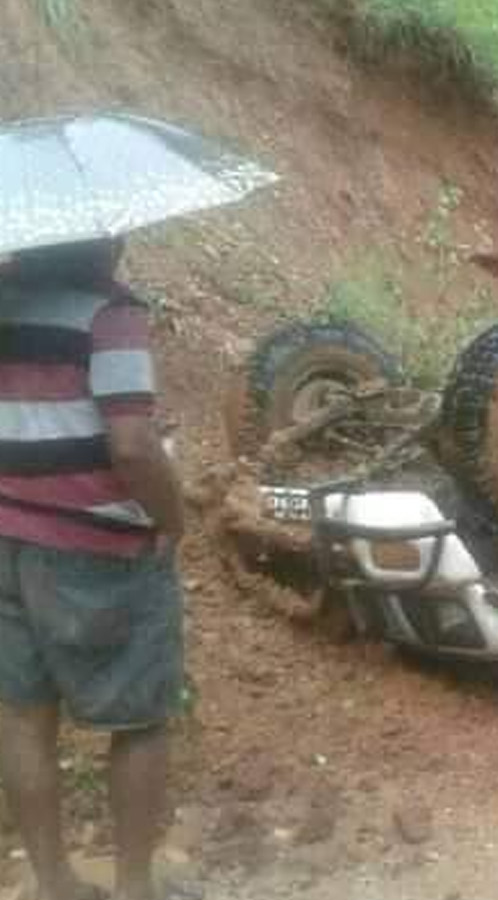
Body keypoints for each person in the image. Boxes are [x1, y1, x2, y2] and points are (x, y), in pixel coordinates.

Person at [0, 239, 186, 900]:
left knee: (24, 718)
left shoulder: (6, 300)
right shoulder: (110, 312)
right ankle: (136, 889)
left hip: (8, 539)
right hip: (96, 550)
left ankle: (55, 885)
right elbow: (132, 446)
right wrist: (171, 516)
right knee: (139, 719)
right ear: (100, 235)